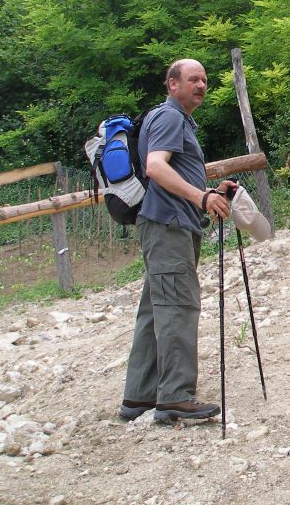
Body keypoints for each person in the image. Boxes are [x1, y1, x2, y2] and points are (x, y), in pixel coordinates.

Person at [120, 58, 237, 422]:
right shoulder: (170, 117)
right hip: (168, 226)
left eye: (204, 79)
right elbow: (156, 167)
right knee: (178, 307)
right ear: (172, 84)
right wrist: (201, 198)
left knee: (156, 308)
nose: (201, 85)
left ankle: (139, 396)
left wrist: (210, 191)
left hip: (165, 224)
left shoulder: (175, 119)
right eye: (192, 79)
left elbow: (171, 172)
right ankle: (174, 397)